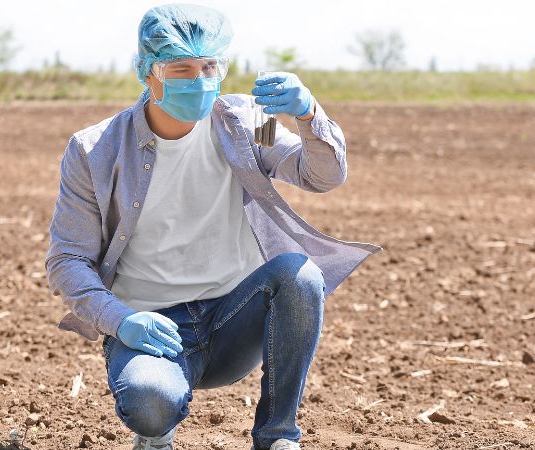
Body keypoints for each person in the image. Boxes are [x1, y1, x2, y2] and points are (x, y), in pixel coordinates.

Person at [44, 4, 381, 450]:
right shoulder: (97, 150)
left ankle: (278, 437)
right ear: (148, 73)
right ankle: (156, 432)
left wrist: (309, 114)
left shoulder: (243, 122)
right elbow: (68, 260)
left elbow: (319, 174)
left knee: (300, 276)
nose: (199, 80)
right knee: (150, 403)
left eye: (209, 66)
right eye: (180, 68)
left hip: (232, 317)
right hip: (150, 329)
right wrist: (120, 321)